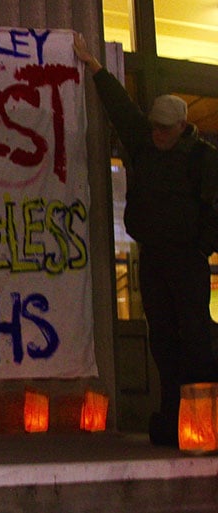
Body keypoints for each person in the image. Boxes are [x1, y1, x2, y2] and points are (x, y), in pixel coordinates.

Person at [74, 33, 218, 446]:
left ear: (181, 127)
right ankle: (173, 416)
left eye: (163, 129)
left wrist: (201, 245)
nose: (155, 133)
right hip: (153, 258)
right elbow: (120, 108)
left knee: (193, 338)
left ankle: (201, 417)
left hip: (186, 259)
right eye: (153, 126)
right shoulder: (145, 144)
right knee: (162, 341)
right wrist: (94, 67)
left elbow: (214, 210)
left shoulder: (201, 159)